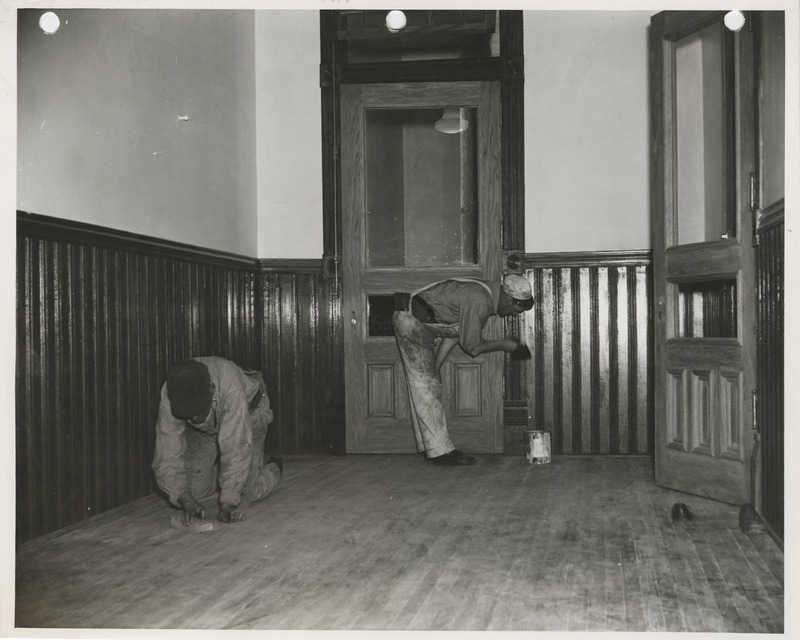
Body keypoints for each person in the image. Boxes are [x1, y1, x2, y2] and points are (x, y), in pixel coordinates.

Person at [393, 274, 534, 466]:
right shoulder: (480, 300)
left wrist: (436, 365)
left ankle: (433, 448)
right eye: (516, 309)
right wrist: (507, 345)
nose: (514, 314)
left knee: (429, 382)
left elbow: (455, 333)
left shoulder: (486, 294)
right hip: (412, 322)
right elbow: (473, 346)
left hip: (422, 322)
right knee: (425, 385)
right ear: (508, 299)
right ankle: (440, 452)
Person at [152, 356, 282, 525]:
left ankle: (274, 469)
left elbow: (237, 447)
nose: (193, 417)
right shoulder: (172, 390)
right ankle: (225, 473)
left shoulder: (230, 386)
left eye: (197, 411)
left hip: (251, 414)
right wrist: (185, 499)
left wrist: (227, 503)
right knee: (192, 490)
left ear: (212, 390)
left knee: (244, 495)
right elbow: (166, 453)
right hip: (207, 428)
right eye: (187, 414)